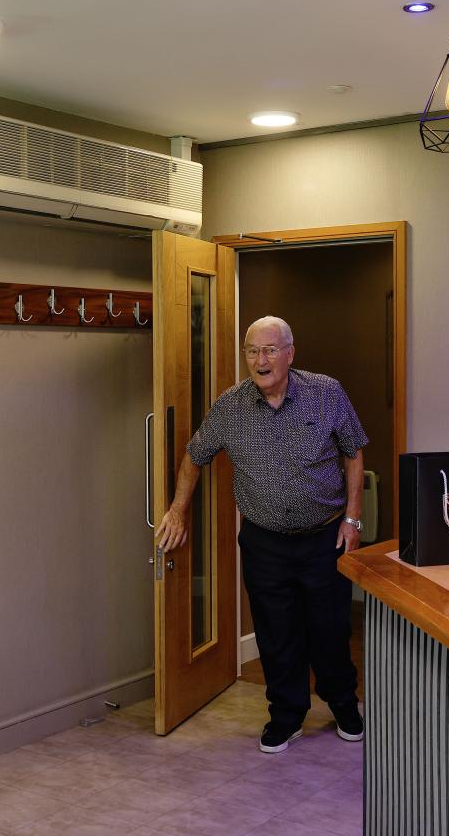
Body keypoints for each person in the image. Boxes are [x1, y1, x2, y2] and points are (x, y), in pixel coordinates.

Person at [155, 315, 368, 753]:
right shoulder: (230, 406)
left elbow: (353, 453)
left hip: (323, 538)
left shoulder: (325, 393)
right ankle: (286, 715)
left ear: (291, 352)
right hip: (264, 542)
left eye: (270, 349)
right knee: (276, 634)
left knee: (329, 629)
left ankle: (344, 705)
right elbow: (195, 456)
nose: (260, 359)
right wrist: (177, 511)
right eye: (252, 351)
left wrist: (353, 519)